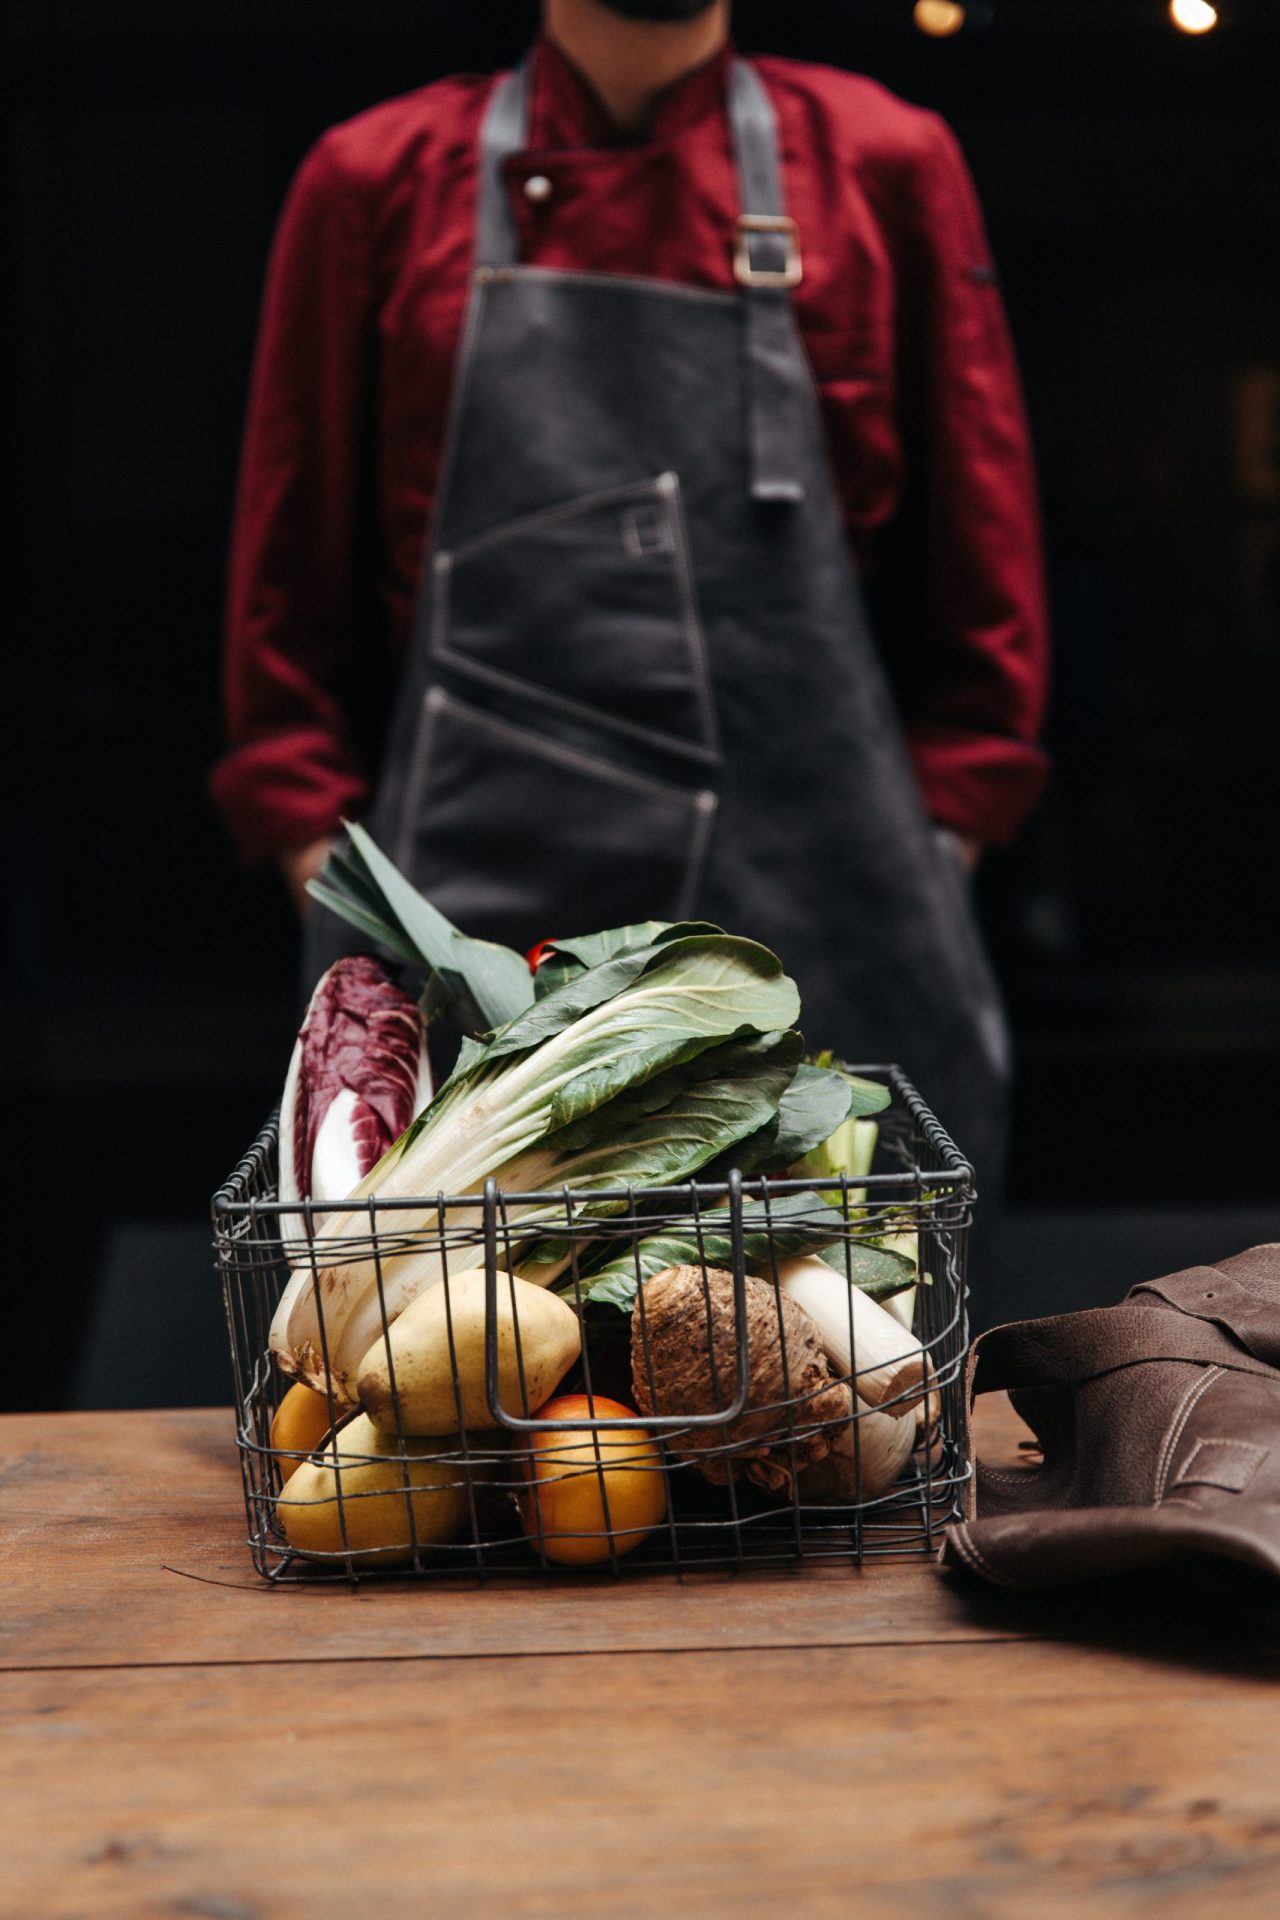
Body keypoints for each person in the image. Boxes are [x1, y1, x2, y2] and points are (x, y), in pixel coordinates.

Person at [213, 0, 1049, 1184]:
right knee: (463, 1361)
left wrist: (937, 844)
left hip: (817, 946)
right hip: (472, 964)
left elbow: (983, 590)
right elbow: (284, 617)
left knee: (838, 1355)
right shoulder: (375, 181)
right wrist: (321, 863)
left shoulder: (881, 162)